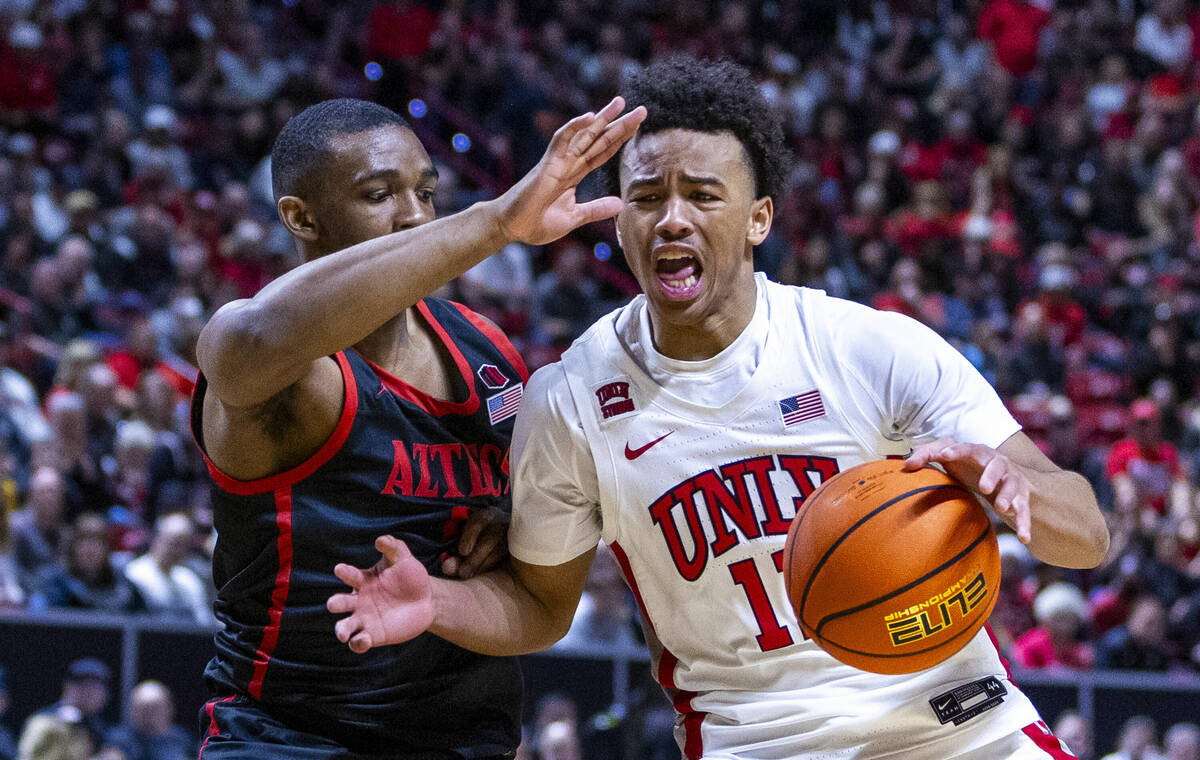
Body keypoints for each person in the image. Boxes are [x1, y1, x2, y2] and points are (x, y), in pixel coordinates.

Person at [329, 56, 1108, 760]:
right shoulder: (568, 401)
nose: (673, 218)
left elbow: (1088, 536)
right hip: (757, 740)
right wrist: (440, 602)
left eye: (703, 196)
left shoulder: (868, 347)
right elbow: (541, 607)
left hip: (961, 722)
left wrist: (1013, 487)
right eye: (647, 197)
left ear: (759, 218)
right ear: (623, 222)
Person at [191, 95, 644, 759]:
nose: (413, 214)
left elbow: (540, 609)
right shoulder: (293, 369)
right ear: (301, 216)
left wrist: (511, 524)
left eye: (426, 192)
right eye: (378, 194)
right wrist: (496, 222)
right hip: (292, 741)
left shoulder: (486, 354)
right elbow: (253, 335)